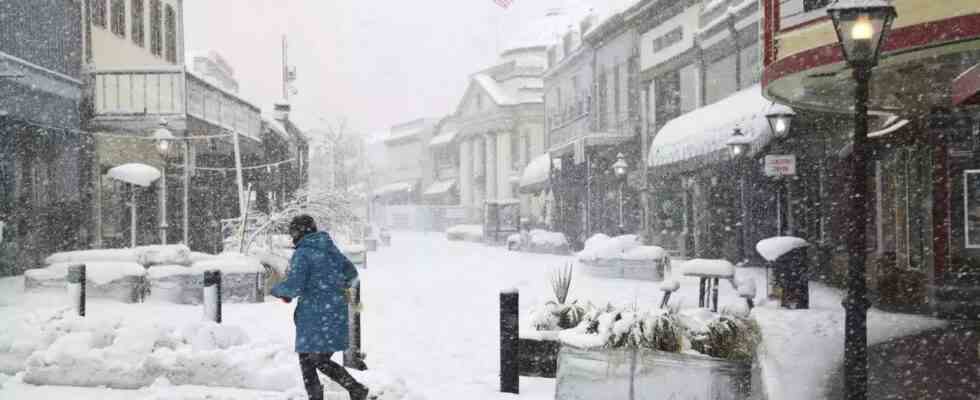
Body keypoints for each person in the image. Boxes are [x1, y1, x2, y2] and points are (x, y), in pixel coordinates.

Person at [271, 215, 369, 400]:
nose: (292, 236)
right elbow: (352, 274)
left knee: (315, 359)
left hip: (314, 314)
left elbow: (294, 286)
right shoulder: (331, 250)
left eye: (293, 231)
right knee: (310, 357)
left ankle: (355, 389)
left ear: (301, 231)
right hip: (334, 311)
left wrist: (277, 290)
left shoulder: (303, 253)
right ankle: (327, 394)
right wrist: (336, 288)